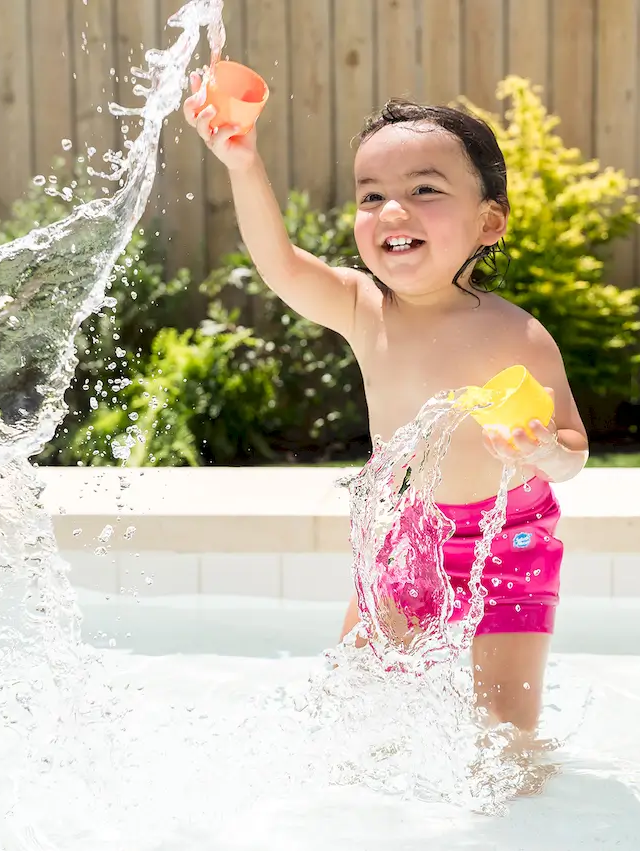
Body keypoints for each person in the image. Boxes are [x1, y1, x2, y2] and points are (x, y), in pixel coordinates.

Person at [183, 77, 589, 734]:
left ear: (488, 221)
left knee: (505, 734)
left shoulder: (515, 334)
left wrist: (545, 450)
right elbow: (280, 266)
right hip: (407, 540)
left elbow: (573, 450)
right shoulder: (362, 308)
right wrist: (243, 162)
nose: (393, 210)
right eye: (372, 195)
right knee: (352, 705)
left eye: (425, 189)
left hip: (509, 545)